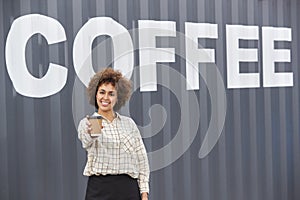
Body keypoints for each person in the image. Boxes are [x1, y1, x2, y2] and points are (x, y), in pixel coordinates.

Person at [77, 68, 150, 200]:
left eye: (111, 94)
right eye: (102, 92)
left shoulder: (129, 124)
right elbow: (86, 140)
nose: (105, 97)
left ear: (118, 97)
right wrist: (92, 132)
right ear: (95, 95)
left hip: (129, 190)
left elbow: (142, 160)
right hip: (100, 189)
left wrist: (144, 192)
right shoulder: (90, 122)